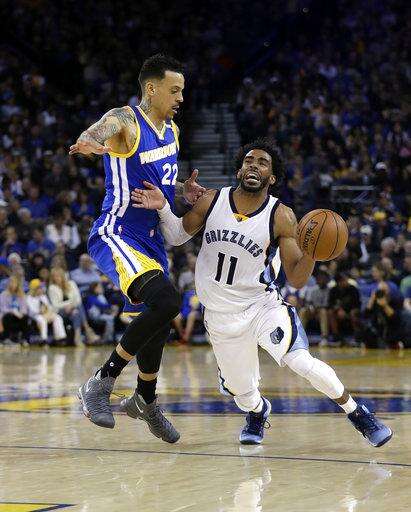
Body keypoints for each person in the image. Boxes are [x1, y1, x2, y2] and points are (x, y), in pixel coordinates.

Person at [131, 138, 392, 448]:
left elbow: (296, 279)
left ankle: (357, 413)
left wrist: (311, 253)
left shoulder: (281, 216)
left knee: (301, 361)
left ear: (272, 177)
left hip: (261, 306)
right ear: (239, 170)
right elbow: (176, 236)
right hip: (220, 315)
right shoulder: (212, 200)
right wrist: (163, 207)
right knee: (242, 393)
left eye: (262, 162)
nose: (254, 165)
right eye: (249, 161)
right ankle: (257, 412)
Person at [70, 54, 205, 442]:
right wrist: (91, 142)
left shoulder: (172, 131)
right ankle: (100, 381)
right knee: (167, 301)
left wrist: (181, 190)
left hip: (151, 239)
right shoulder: (126, 121)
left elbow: (159, 183)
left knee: (158, 318)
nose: (180, 98)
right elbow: (97, 131)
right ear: (151, 88)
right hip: (118, 233)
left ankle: (145, 398)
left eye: (182, 90)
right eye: (174, 90)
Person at [48, 267, 99, 346]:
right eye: (54, 276)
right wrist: (69, 304)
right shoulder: (52, 288)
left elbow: (78, 299)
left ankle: (77, 337)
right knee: (78, 307)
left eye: (58, 276)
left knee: (76, 312)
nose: (57, 278)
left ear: (63, 276)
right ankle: (87, 330)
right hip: (59, 311)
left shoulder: (71, 284)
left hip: (73, 309)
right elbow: (56, 305)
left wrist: (71, 306)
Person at [27, 278, 67, 344]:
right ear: (34, 289)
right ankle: (43, 339)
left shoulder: (43, 297)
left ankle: (60, 338)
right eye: (38, 288)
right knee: (42, 320)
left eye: (41, 288)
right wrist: (41, 312)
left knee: (57, 317)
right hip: (36, 316)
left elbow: (49, 307)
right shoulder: (29, 298)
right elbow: (31, 312)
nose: (40, 289)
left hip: (46, 314)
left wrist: (49, 313)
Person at [0, 275, 30, 343]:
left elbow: (24, 308)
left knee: (25, 317)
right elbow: (3, 308)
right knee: (8, 316)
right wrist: (13, 311)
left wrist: (21, 313)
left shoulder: (21, 295)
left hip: (18, 315)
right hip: (7, 315)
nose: (13, 285)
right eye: (11, 282)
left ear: (18, 284)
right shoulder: (3, 295)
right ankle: (6, 338)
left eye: (14, 283)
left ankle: (24, 339)